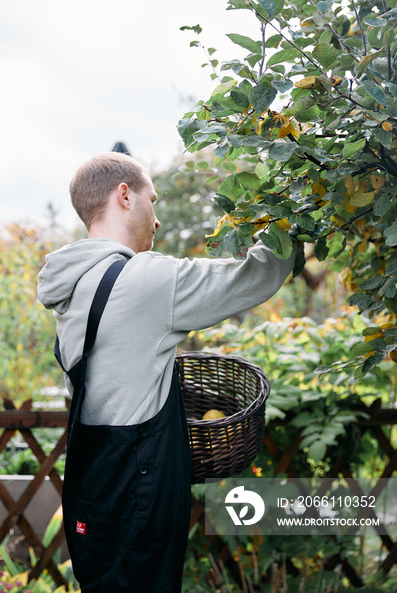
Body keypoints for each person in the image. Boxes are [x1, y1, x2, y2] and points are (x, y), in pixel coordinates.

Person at [37, 152, 300, 593]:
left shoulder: (73, 287)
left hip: (94, 496)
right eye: (152, 200)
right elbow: (259, 275)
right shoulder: (145, 280)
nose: (156, 220)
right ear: (124, 196)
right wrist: (293, 210)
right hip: (139, 502)